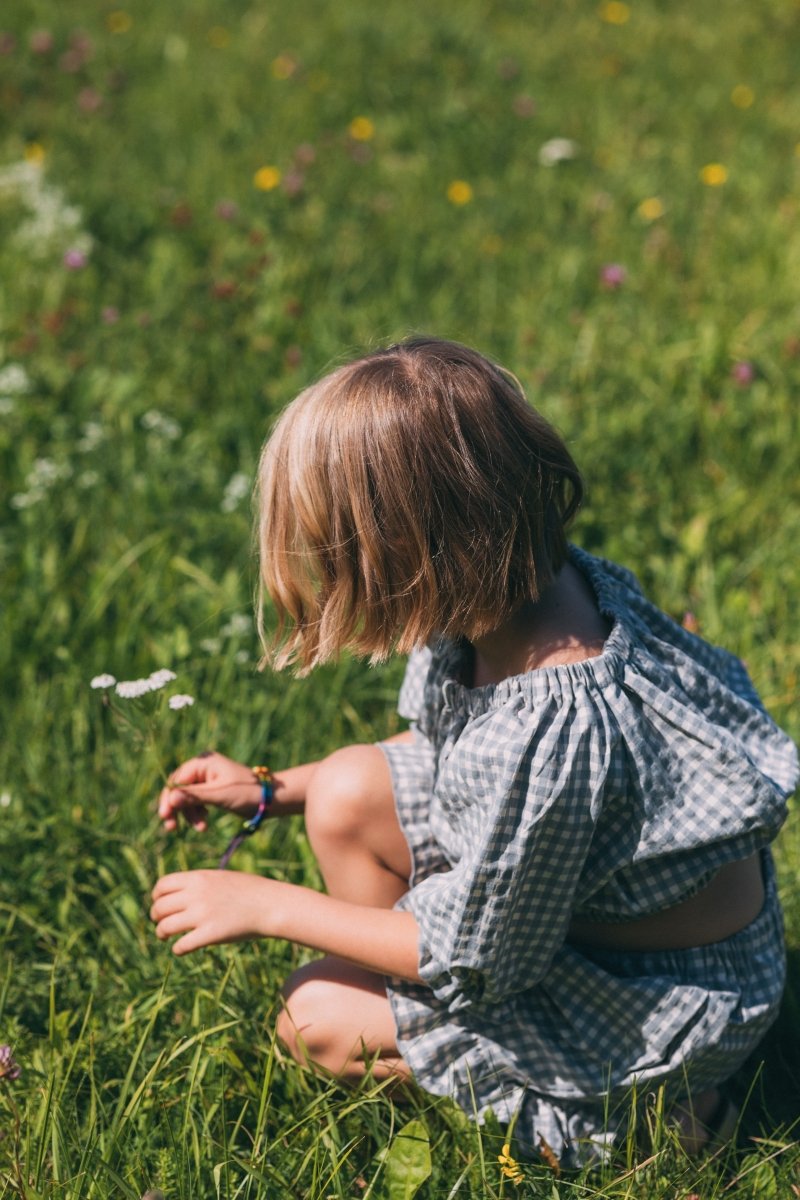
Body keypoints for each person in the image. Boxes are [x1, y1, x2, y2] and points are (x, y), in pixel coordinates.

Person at [150, 337, 798, 1166]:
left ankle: (650, 1127)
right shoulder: (531, 590)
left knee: (311, 1019)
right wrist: (275, 790)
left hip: (660, 1003)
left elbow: (479, 957)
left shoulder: (552, 729)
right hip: (596, 929)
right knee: (348, 786)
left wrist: (266, 905)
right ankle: (422, 1020)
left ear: (405, 558)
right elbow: (441, 744)